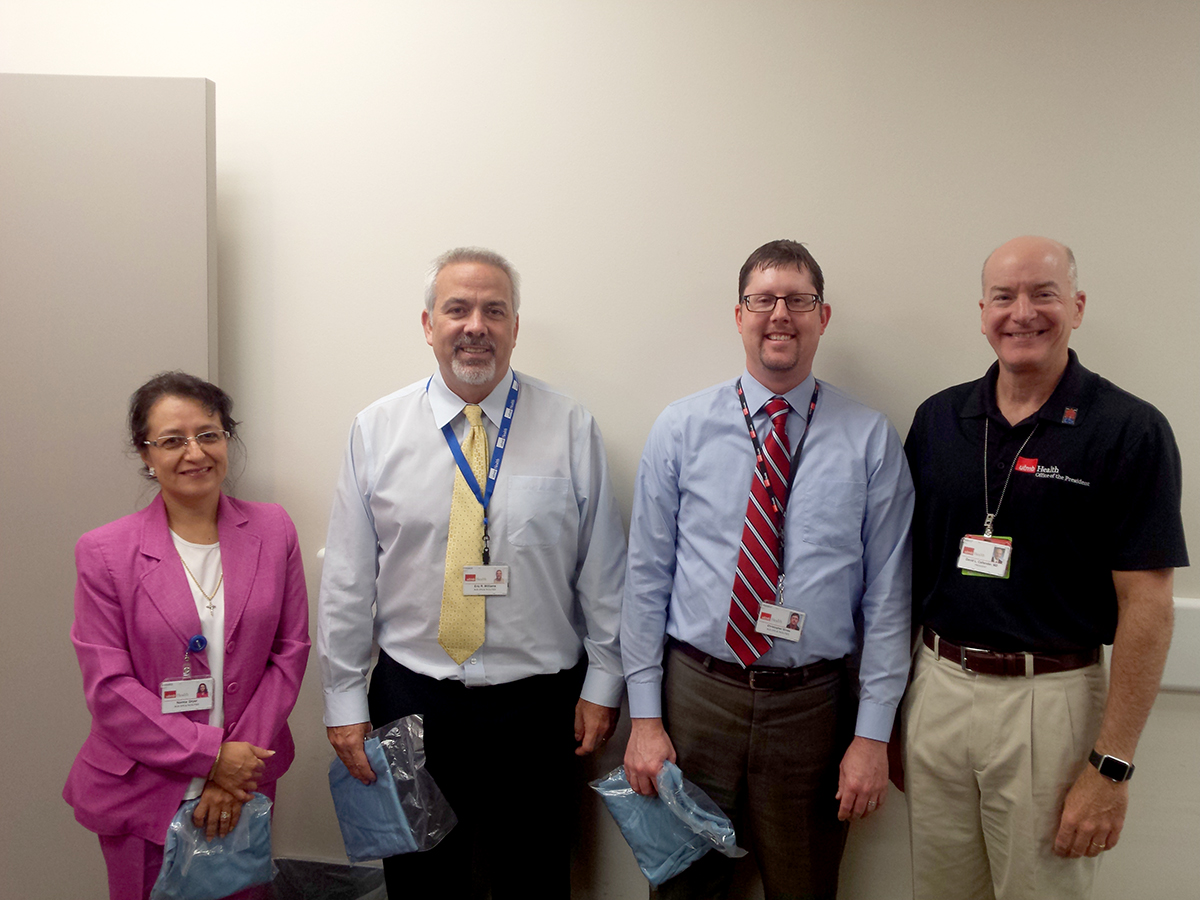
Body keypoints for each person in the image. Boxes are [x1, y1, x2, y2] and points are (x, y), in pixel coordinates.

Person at [317, 247, 625, 899]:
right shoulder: (376, 430)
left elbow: (603, 568)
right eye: (457, 309)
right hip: (412, 699)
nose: (475, 325)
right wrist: (344, 698)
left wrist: (604, 680)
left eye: (494, 310)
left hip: (541, 708)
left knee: (534, 879)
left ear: (516, 326)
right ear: (428, 324)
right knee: (420, 885)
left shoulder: (570, 426)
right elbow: (349, 577)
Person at [622, 240, 914, 899]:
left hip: (814, 707)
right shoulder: (681, 428)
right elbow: (645, 580)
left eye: (798, 300)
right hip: (697, 696)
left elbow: (889, 600)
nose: (779, 314)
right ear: (739, 315)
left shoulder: (869, 438)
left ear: (823, 316)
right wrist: (643, 719)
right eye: (763, 299)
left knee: (804, 886)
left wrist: (872, 735)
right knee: (684, 886)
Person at [902, 236, 1188, 900]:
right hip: (937, 689)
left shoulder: (1129, 429)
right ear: (981, 312)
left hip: (1050, 706)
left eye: (1043, 294)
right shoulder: (940, 419)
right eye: (1004, 296)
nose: (1021, 312)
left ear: (1078, 307)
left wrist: (1109, 769)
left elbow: (1147, 607)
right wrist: (887, 716)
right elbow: (904, 575)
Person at [64, 372, 311, 900]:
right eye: (172, 440)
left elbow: (290, 653)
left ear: (227, 439)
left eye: (208, 434)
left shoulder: (273, 530)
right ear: (145, 455)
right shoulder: (104, 552)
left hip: (248, 779)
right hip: (142, 787)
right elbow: (109, 689)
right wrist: (211, 757)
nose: (194, 452)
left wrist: (233, 771)